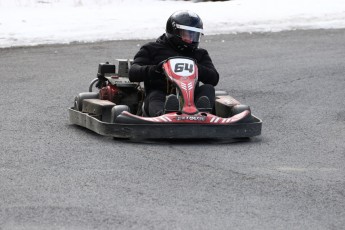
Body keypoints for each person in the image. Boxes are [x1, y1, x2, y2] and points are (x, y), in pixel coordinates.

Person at [129, 10, 219, 117]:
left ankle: (201, 113)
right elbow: (133, 72)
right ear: (174, 32)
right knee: (155, 95)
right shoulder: (151, 49)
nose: (191, 40)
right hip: (160, 95)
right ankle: (164, 114)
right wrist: (156, 69)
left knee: (208, 88)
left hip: (192, 100)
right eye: (187, 35)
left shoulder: (199, 54)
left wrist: (195, 68)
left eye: (194, 35)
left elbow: (214, 78)